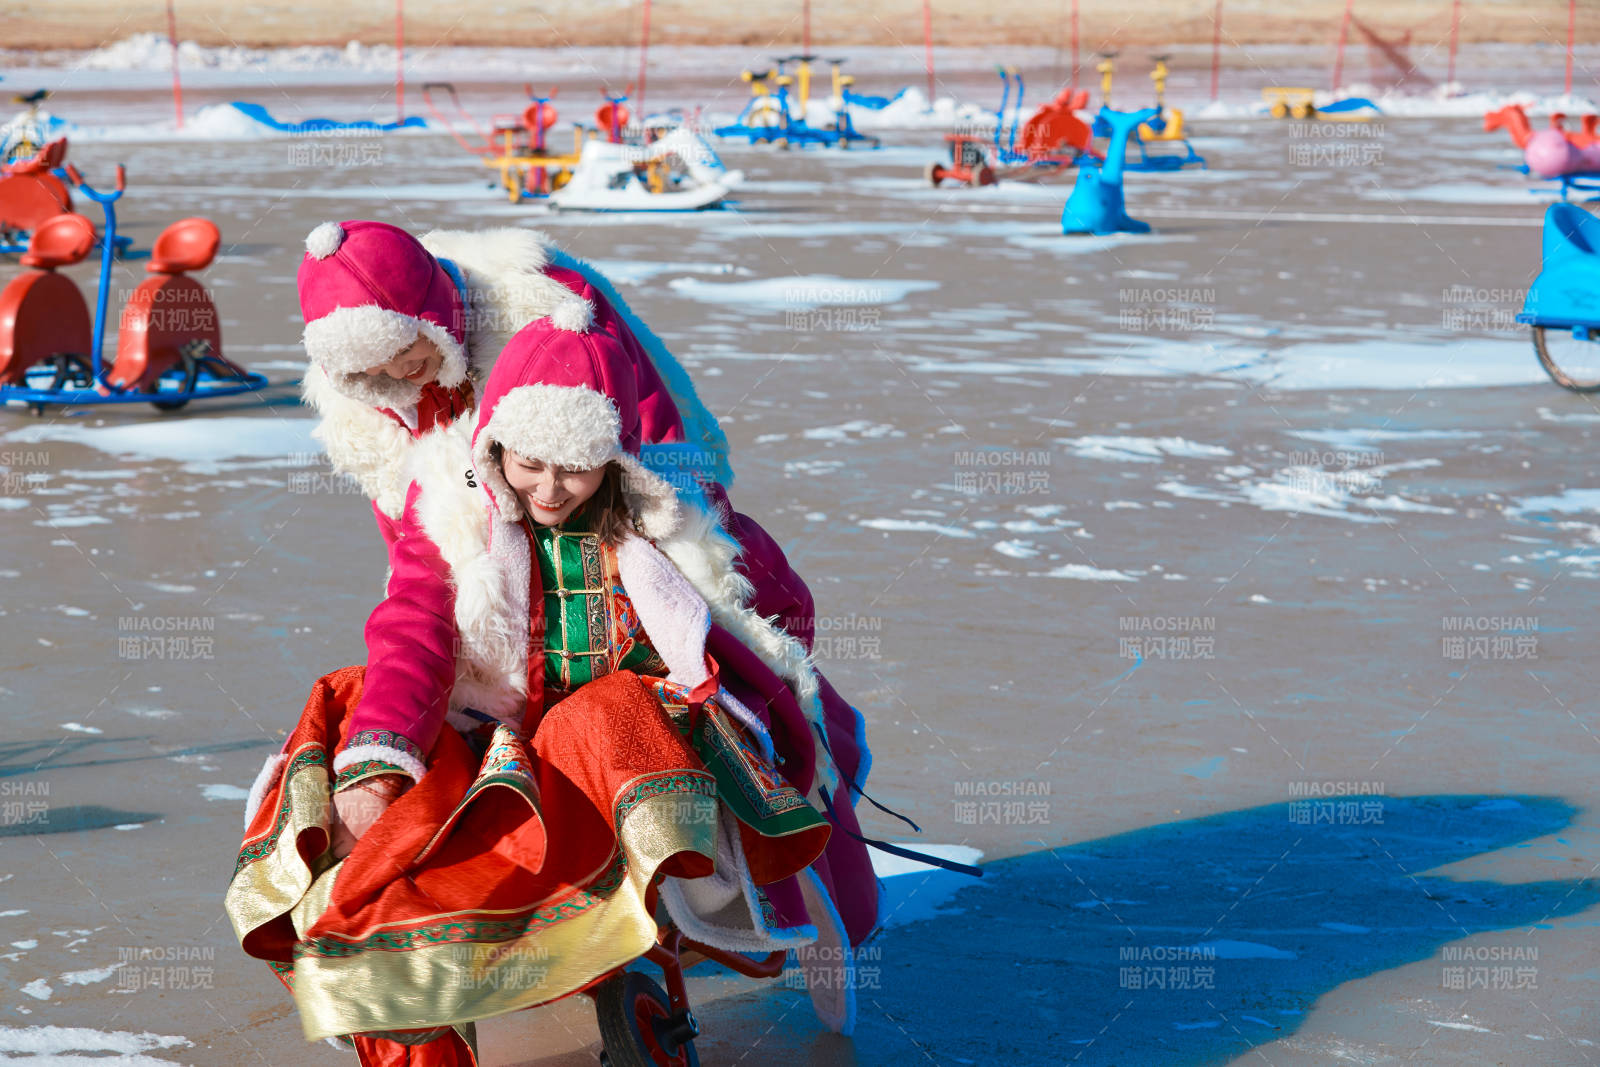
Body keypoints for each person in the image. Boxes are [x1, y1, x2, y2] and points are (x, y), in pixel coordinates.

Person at [228, 295, 878, 1062]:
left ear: (617, 459)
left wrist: (747, 694)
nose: (548, 488)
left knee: (609, 708)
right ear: (494, 448)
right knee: (348, 706)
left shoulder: (680, 522)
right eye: (528, 462)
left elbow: (780, 611)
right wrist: (379, 755)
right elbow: (413, 630)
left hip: (634, 744)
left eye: (575, 467)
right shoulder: (456, 522)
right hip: (509, 738)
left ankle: (641, 943)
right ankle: (407, 984)